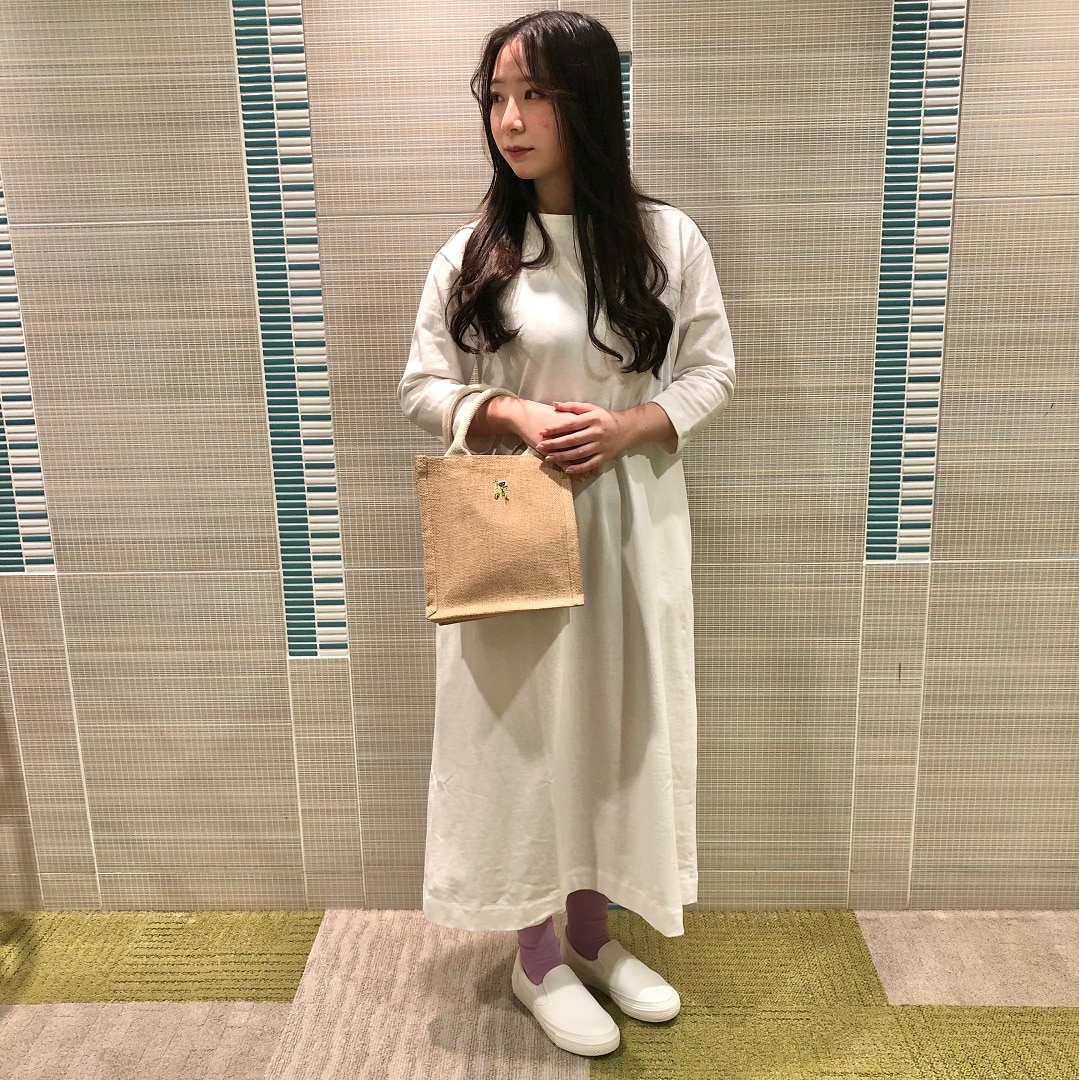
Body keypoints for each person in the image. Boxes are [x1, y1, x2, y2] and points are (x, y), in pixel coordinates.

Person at [397, 10, 736, 1059]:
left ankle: (593, 935)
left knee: (617, 728)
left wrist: (630, 424)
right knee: (529, 738)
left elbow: (712, 372)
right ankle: (534, 952)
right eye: (496, 97)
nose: (509, 119)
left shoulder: (666, 241)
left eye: (533, 94)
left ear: (586, 102)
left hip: (631, 526)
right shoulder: (475, 254)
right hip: (515, 529)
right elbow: (420, 386)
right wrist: (509, 412)